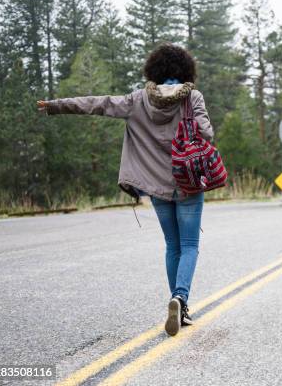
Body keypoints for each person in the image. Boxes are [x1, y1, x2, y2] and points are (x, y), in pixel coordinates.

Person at [37, 43, 214, 337]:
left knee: (172, 245)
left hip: (156, 187)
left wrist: (55, 106)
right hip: (189, 184)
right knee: (190, 246)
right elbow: (207, 133)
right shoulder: (192, 97)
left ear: (154, 71)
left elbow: (98, 103)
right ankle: (180, 298)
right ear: (185, 71)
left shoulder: (137, 100)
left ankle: (177, 302)